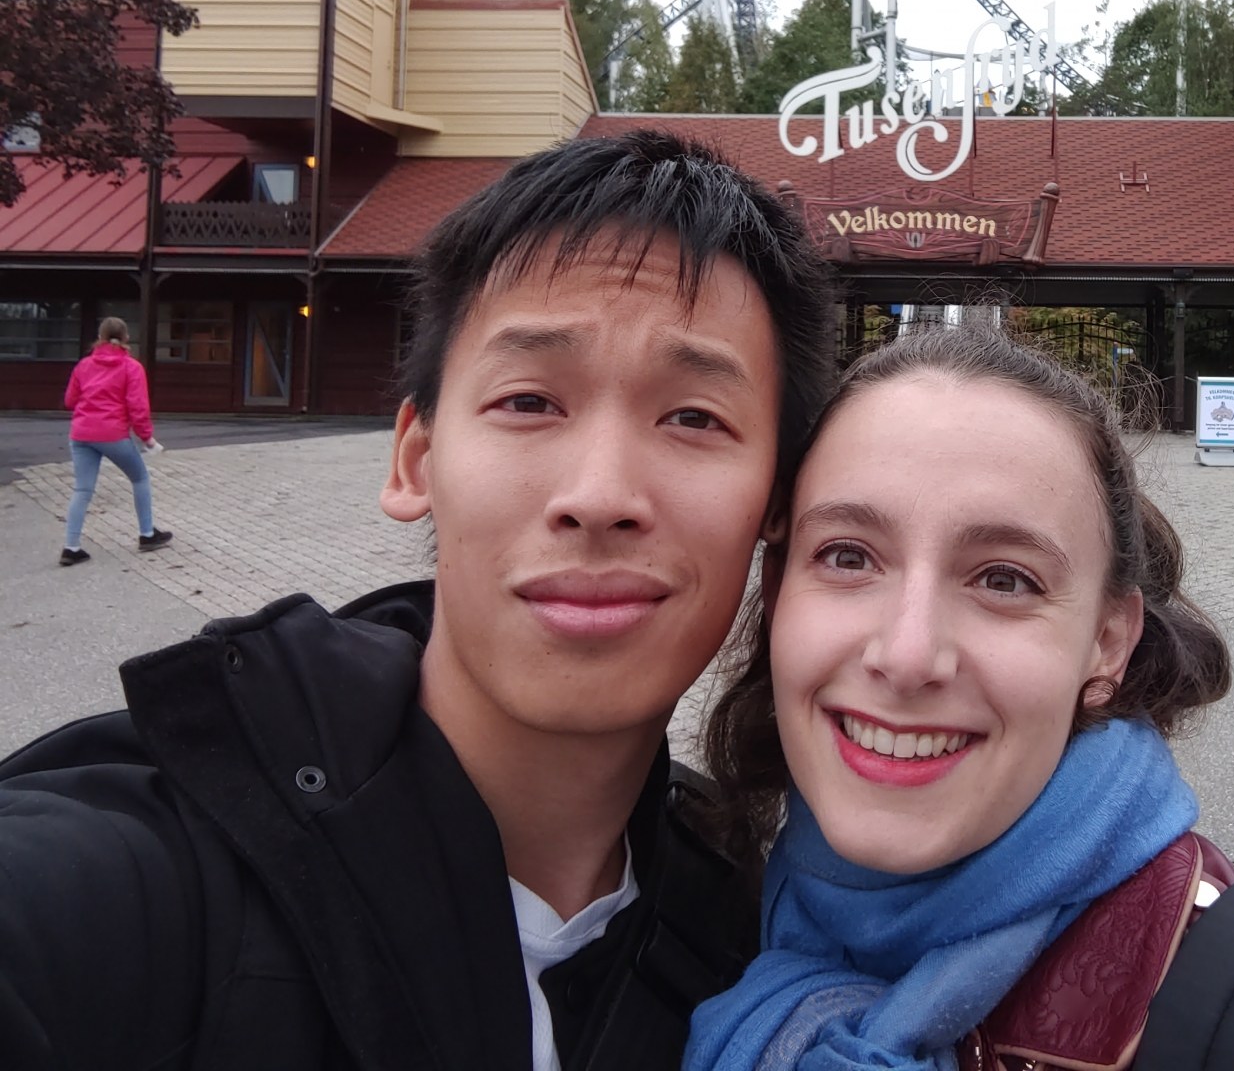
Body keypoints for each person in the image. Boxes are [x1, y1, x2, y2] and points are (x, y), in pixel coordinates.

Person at [0, 129, 837, 1071]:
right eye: (529, 402)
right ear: (416, 460)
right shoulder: (145, 881)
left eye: (693, 416)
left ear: (774, 503)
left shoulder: (744, 938)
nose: (600, 496)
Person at [689, 328, 1234, 1071]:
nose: (908, 654)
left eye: (1004, 579)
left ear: (1108, 641)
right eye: (848, 556)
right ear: (777, 591)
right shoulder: (694, 906)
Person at [58, 314, 171, 565]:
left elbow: (69, 400)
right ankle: (147, 534)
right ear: (126, 338)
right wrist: (147, 439)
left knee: (82, 489)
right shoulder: (131, 367)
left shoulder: (84, 365)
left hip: (81, 434)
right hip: (112, 434)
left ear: (99, 337)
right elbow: (137, 407)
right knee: (139, 478)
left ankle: (71, 547)